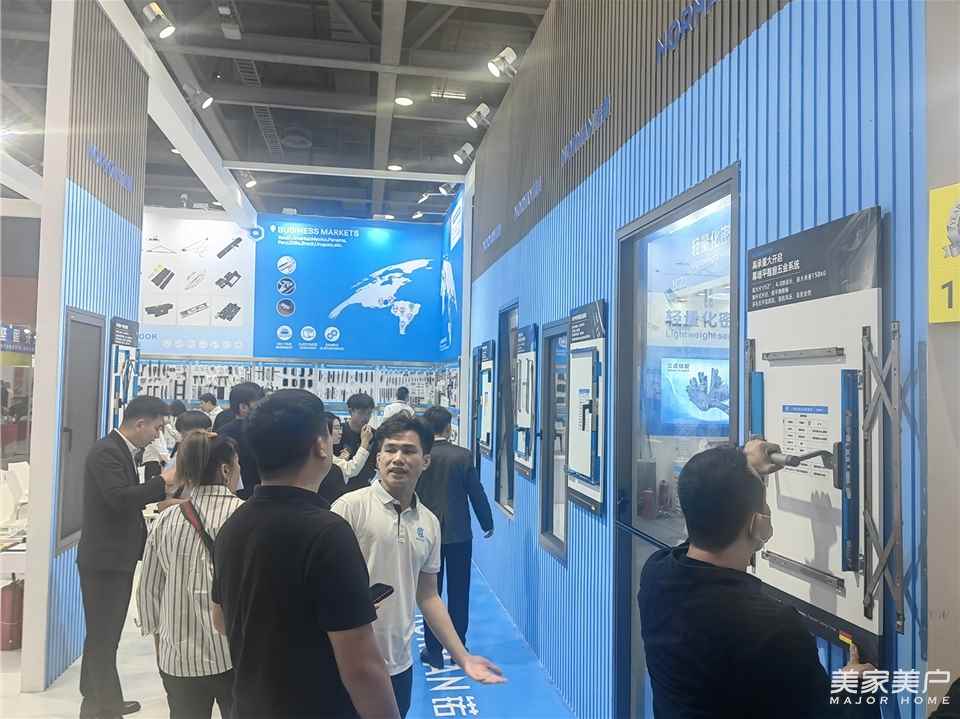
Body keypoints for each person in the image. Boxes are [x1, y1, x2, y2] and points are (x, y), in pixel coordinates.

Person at [637, 440, 876, 719]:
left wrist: (741, 464)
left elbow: (707, 506)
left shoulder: (656, 577)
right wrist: (854, 688)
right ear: (758, 524)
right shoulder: (773, 628)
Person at [211, 390, 400, 719]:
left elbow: (220, 619)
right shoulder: (328, 533)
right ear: (320, 445)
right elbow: (362, 668)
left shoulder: (233, 524)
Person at [332, 415, 506, 718]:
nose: (398, 458)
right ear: (377, 458)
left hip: (399, 664)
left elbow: (428, 596)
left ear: (425, 461)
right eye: (390, 449)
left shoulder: (429, 523)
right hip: (345, 664)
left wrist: (462, 657)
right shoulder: (349, 509)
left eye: (409, 451)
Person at [77, 396, 178, 719]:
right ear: (140, 423)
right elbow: (119, 500)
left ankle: (94, 695)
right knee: (104, 636)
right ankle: (107, 707)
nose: (157, 435)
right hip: (104, 560)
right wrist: (162, 483)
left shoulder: (118, 450)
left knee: (102, 633)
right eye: (156, 428)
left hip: (113, 557)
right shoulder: (107, 452)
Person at [137, 430, 244, 719]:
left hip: (179, 656)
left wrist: (162, 648)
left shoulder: (167, 520)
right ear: (225, 470)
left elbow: (149, 590)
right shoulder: (247, 516)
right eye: (237, 465)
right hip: (235, 654)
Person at [416, 407, 494, 669]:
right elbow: (476, 493)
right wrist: (487, 522)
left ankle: (434, 650)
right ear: (449, 428)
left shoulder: (420, 456)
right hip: (459, 533)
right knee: (460, 591)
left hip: (427, 534)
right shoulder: (462, 456)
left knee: (430, 593)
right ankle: (459, 648)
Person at [215, 383, 265, 499]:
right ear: (243, 407)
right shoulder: (264, 430)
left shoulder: (222, 432)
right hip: (262, 493)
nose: (264, 409)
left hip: (231, 495)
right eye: (259, 405)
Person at [318, 413, 374, 506]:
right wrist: (365, 442)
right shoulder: (322, 453)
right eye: (336, 428)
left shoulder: (329, 455)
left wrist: (340, 462)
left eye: (340, 428)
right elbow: (352, 469)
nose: (340, 432)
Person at [339, 393, 378, 490]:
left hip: (365, 486)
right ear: (350, 411)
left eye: (369, 413)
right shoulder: (339, 432)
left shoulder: (375, 435)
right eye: (361, 413)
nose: (366, 417)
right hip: (340, 486)